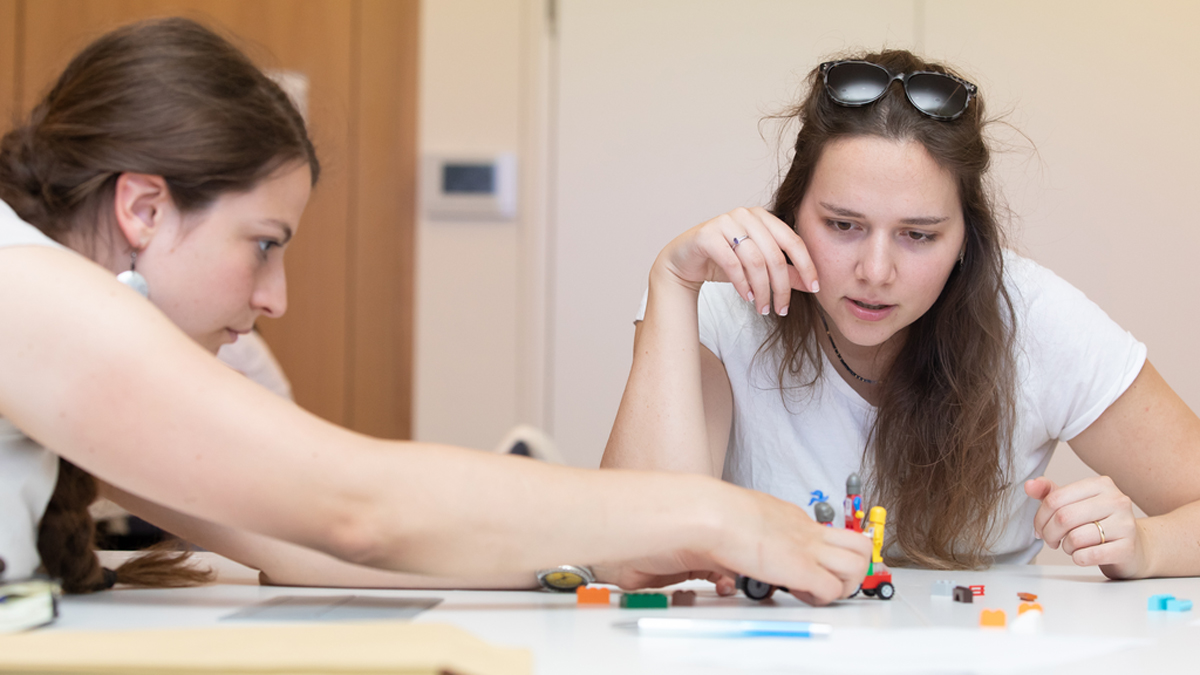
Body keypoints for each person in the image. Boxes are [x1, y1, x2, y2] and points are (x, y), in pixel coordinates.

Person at [0, 17, 871, 605]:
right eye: (263, 241)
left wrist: (596, 557)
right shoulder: (26, 289)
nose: (275, 297)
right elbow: (358, 505)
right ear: (143, 209)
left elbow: (304, 542)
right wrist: (710, 512)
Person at [603, 50, 1200, 578]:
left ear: (966, 239)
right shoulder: (721, 302)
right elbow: (632, 554)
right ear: (790, 213)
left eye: (918, 235)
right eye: (842, 225)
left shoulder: (1033, 316)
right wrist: (672, 280)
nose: (876, 271)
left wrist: (1145, 545)